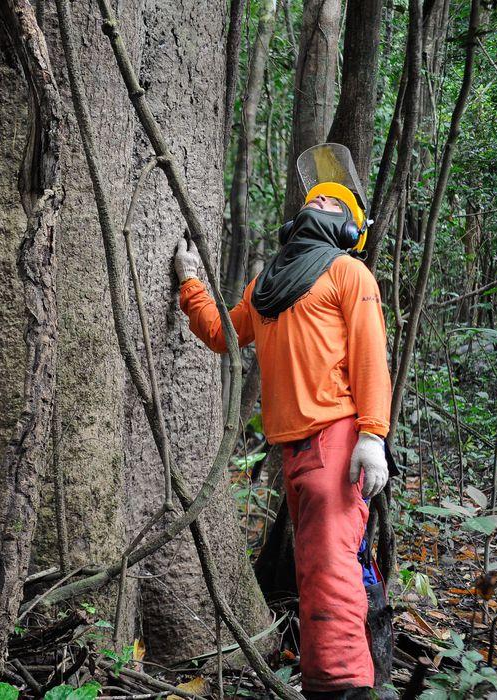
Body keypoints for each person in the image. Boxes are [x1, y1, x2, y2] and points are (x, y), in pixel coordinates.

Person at [173, 175, 391, 699]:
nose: (319, 200)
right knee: (323, 566)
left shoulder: (348, 272)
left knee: (330, 570)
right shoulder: (269, 285)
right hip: (296, 452)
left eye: (330, 201)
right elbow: (224, 333)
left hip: (336, 443)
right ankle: (341, 680)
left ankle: (342, 688)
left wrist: (372, 437)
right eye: (315, 196)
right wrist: (189, 280)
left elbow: (369, 358)